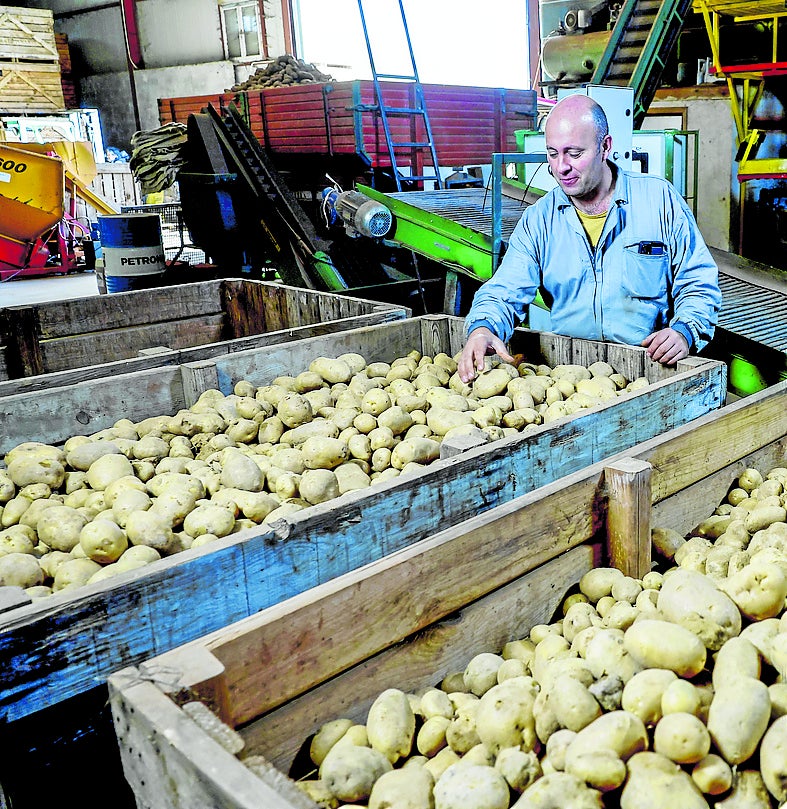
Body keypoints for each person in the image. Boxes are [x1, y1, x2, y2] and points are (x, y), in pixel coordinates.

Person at [458, 94, 722, 383]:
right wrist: (483, 328)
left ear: (605, 147)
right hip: (572, 378)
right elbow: (503, 291)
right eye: (552, 153)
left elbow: (698, 281)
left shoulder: (658, 201)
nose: (561, 167)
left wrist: (685, 330)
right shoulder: (540, 221)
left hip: (648, 373)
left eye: (574, 153)